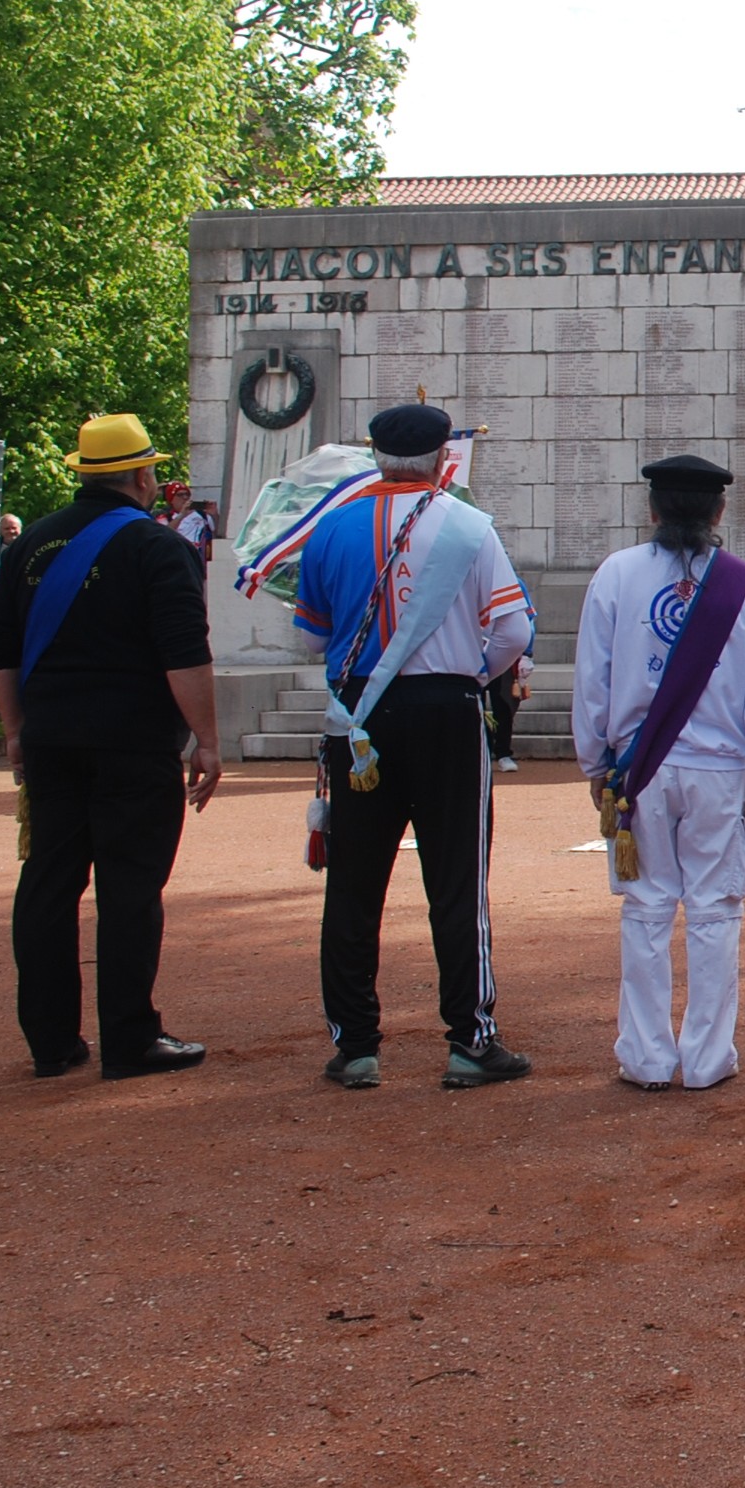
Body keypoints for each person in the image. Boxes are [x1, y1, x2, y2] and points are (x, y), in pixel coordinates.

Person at [295, 402, 537, 1091]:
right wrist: (469, 673)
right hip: (447, 713)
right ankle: (469, 1039)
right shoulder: (468, 527)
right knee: (458, 882)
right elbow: (514, 632)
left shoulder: (332, 525)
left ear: (376, 456)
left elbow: (312, 636)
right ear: (442, 459)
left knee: (353, 885)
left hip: (358, 718)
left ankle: (356, 1046)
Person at [0, 412, 220, 1079]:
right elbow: (184, 655)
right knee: (131, 888)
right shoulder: (157, 548)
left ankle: (51, 1041)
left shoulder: (30, 545)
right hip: (134, 742)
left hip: (51, 736)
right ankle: (129, 1036)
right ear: (143, 477)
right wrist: (206, 740)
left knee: (48, 886)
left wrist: (13, 731)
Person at [573, 455, 745, 1090]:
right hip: (720, 773)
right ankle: (705, 1058)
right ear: (719, 514)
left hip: (638, 773)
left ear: (653, 511)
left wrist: (595, 762)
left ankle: (644, 1057)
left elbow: (593, 677)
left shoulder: (616, 575)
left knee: (644, 909)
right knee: (716, 911)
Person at [161, 480, 214, 563]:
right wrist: (181, 515)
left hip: (198, 557)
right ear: (171, 499)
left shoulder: (201, 515)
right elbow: (164, 535)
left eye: (187, 494)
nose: (185, 497)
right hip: (177, 558)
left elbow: (216, 534)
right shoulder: (165, 518)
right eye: (180, 495)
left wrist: (214, 514)